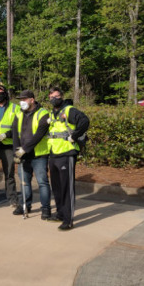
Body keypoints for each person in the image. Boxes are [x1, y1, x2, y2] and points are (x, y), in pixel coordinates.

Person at [47, 87, 89, 230]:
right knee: (57, 187)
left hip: (67, 153)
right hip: (53, 154)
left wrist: (74, 136)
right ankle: (60, 213)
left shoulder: (69, 110)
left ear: (62, 97)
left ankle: (68, 219)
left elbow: (84, 121)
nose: (54, 99)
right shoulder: (53, 113)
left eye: (57, 96)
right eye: (52, 96)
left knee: (67, 188)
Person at [11, 90, 52, 220]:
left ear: (32, 100)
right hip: (23, 155)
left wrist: (25, 149)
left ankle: (45, 208)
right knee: (24, 182)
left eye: (24, 99)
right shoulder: (18, 114)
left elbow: (38, 135)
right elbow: (15, 134)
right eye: (20, 100)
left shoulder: (43, 114)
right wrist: (17, 152)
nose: (21, 102)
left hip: (39, 155)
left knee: (42, 182)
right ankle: (25, 205)